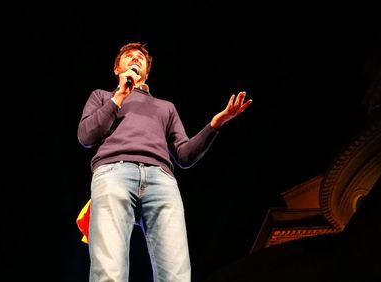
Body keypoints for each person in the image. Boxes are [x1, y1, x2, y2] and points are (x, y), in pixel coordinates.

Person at [77, 42, 252, 282]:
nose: (136, 58)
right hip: (113, 173)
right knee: (109, 271)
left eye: (141, 57)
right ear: (117, 68)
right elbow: (86, 136)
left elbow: (184, 155)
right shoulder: (102, 96)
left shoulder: (165, 107)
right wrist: (119, 96)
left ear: (147, 71)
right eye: (129, 56)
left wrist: (215, 125)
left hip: (161, 181)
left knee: (175, 275)